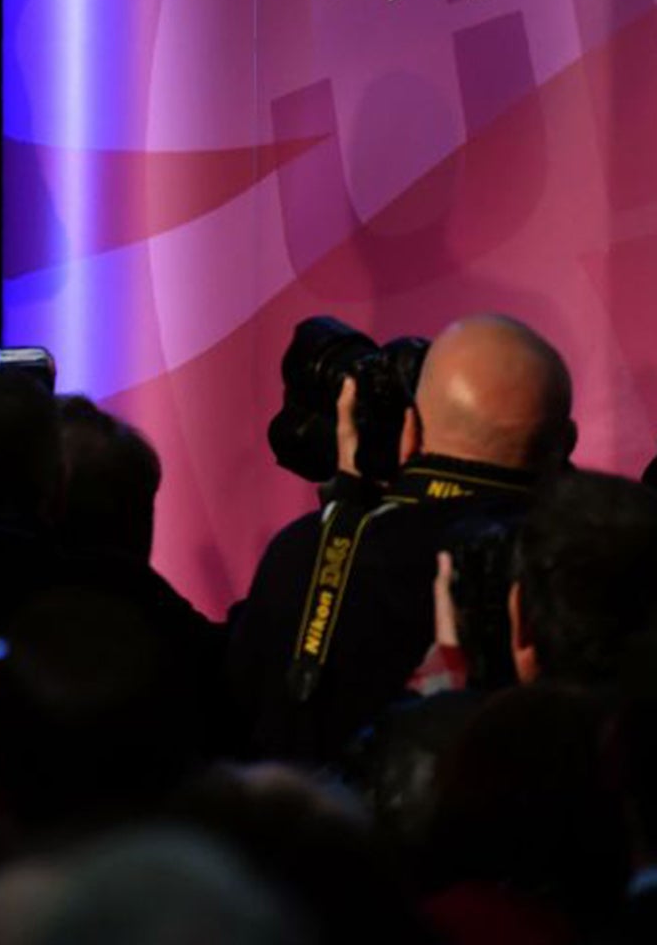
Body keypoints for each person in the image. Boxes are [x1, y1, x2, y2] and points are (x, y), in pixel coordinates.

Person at [225, 313, 573, 763]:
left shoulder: (304, 556)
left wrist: (345, 509)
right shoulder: (591, 564)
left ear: (409, 433)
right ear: (565, 443)